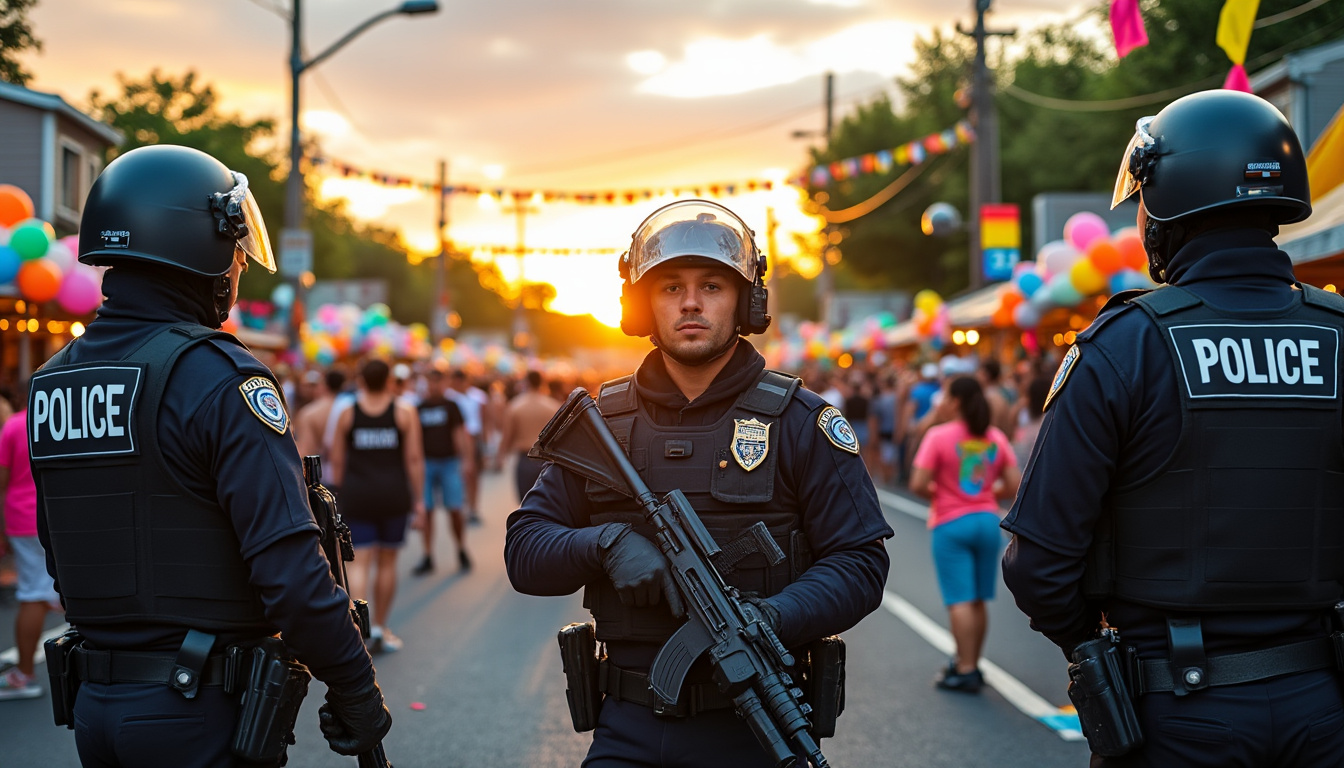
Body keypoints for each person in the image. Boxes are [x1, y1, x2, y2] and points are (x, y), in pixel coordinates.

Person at [1001, 90, 1344, 766]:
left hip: (1177, 710)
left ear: (1170, 207)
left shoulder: (1126, 344)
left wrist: (1095, 647)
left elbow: (1039, 561)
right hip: (1323, 705)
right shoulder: (1337, 336)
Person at [29, 145, 390, 766]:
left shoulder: (54, 381)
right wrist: (356, 685)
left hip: (97, 710)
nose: (237, 272)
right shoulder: (220, 377)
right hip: (196, 710)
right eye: (235, 255)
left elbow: (62, 553)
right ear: (200, 249)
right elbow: (293, 576)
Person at [504, 199, 893, 767]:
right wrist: (605, 544)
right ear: (642, 305)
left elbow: (860, 562)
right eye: (669, 287)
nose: (690, 302)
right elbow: (525, 550)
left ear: (746, 302)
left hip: (755, 726)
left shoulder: (800, 422)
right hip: (628, 726)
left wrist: (772, 618)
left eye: (712, 285)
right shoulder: (601, 427)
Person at [909, 375, 1020, 693]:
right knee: (979, 598)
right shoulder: (995, 437)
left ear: (956, 401)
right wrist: (984, 494)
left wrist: (945, 495)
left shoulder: (938, 436)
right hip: (987, 521)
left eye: (944, 396)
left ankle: (965, 666)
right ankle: (973, 662)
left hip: (951, 522)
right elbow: (1014, 484)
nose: (940, 403)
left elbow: (918, 483)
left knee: (959, 598)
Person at [329, 359, 425, 654]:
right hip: (393, 496)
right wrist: (419, 500)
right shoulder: (404, 411)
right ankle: (381, 628)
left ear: (360, 380)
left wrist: (345, 492)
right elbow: (413, 459)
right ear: (389, 381)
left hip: (358, 495)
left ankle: (362, 632)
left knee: (359, 566)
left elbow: (337, 461)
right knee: (387, 563)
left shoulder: (347, 412)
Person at [0, 385, 58, 701]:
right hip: (60, 515)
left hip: (24, 517)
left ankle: (24, 675)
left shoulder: (13, 426)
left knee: (32, 594)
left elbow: (2, 480)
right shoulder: (59, 417)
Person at [411, 367, 474, 575]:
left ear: (444, 383)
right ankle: (428, 554)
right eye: (431, 381)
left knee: (455, 508)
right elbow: (414, 439)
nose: (434, 385)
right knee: (426, 509)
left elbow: (459, 433)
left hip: (449, 462)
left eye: (438, 381)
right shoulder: (418, 408)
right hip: (426, 463)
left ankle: (461, 548)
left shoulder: (451, 406)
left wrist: (466, 459)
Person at [495, 369, 562, 502]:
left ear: (526, 383)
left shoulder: (516, 406)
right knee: (549, 504)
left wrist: (500, 457)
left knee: (526, 503)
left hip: (525, 459)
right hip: (549, 460)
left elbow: (507, 435)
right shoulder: (553, 406)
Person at [293, 368, 346, 459]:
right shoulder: (351, 409)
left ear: (323, 385)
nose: (308, 390)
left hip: (323, 469)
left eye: (313, 386)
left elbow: (306, 452)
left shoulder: (309, 413)